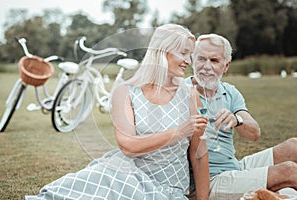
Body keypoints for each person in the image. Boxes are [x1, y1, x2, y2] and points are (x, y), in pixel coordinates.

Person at [26, 24, 210, 200]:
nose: (188, 61)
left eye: (190, 54)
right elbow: (128, 146)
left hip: (167, 189)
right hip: (124, 174)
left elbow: (199, 153)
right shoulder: (125, 92)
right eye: (183, 53)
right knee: (58, 195)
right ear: (162, 51)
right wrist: (179, 132)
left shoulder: (190, 94)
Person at [186, 33, 297, 199]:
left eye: (214, 60)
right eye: (201, 59)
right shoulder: (181, 92)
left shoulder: (229, 92)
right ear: (192, 60)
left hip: (235, 166)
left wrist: (237, 120)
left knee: (294, 146)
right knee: (289, 171)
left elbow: (254, 134)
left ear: (226, 65)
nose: (206, 66)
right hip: (210, 180)